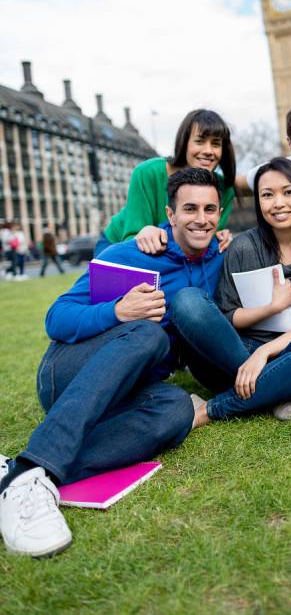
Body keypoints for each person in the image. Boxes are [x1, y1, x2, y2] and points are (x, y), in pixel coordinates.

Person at [0, 168, 225, 558]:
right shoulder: (131, 254)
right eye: (190, 208)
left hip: (125, 393)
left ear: (220, 213)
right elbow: (57, 316)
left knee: (176, 408)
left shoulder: (218, 259)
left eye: (210, 209)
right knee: (149, 334)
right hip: (68, 375)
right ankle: (31, 475)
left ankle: (23, 471)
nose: (201, 218)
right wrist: (117, 311)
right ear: (170, 215)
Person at [171, 158, 291, 426]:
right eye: (267, 195)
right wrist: (271, 307)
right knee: (187, 300)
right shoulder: (244, 246)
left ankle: (212, 408)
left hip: (284, 355)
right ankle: (276, 391)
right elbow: (227, 316)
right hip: (230, 355)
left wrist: (264, 354)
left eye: (288, 192)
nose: (278, 203)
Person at [94, 108, 237, 257]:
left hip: (172, 252)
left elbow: (203, 237)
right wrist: (144, 233)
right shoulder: (148, 172)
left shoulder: (224, 189)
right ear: (185, 142)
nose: (208, 150)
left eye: (215, 144)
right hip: (120, 244)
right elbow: (132, 238)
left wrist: (221, 238)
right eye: (199, 141)